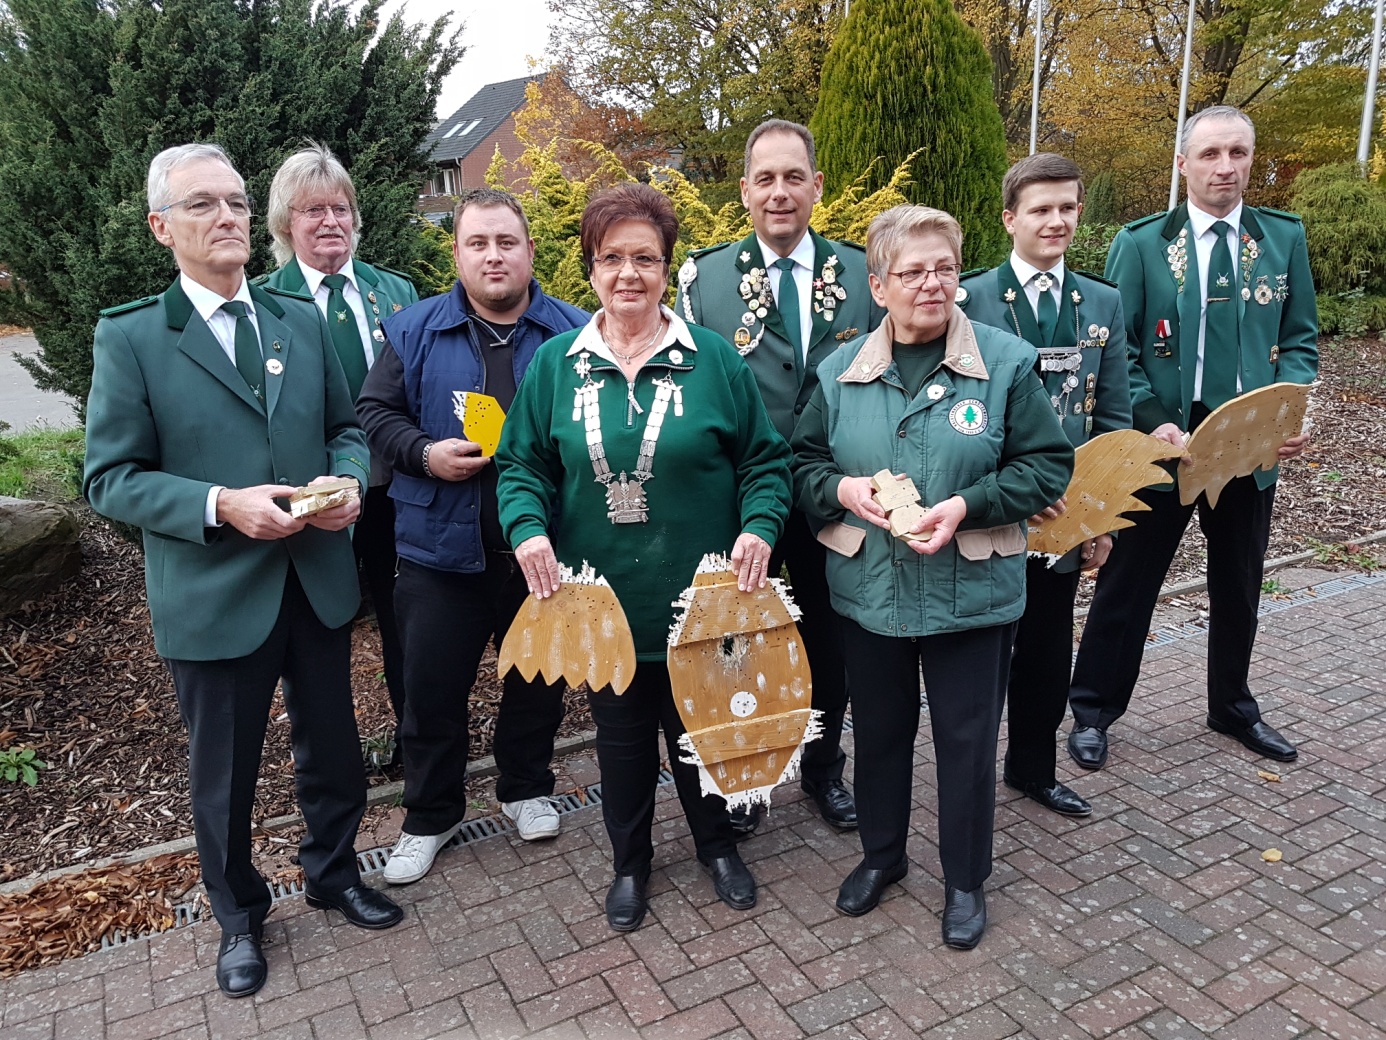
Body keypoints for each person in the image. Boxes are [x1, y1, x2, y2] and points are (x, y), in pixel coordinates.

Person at [83, 143, 402, 999]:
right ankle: (238, 917)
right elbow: (110, 478)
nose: (225, 217)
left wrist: (347, 483)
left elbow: (346, 427)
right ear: (162, 227)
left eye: (233, 201)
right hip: (215, 592)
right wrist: (221, 503)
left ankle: (333, 873)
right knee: (224, 774)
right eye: (201, 205)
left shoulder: (295, 318)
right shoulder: (134, 336)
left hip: (315, 578)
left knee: (334, 750)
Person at [496, 183, 792, 932]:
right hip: (604, 605)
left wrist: (760, 527)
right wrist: (527, 529)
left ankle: (717, 847)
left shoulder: (714, 361)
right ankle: (630, 863)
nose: (628, 273)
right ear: (590, 268)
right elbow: (521, 466)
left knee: (704, 731)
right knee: (621, 745)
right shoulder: (555, 365)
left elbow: (765, 462)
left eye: (646, 258)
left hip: (704, 600)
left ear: (666, 268)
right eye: (612, 258)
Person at [792, 205, 1072, 947]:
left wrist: (967, 506)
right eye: (912, 272)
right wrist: (842, 490)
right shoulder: (840, 372)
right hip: (871, 592)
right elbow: (803, 464)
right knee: (881, 736)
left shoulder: (1007, 363)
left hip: (972, 594)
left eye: (944, 268)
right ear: (877, 286)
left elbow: (1047, 466)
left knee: (966, 744)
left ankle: (965, 882)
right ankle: (882, 858)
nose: (931, 284)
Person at [1067, 106, 1317, 772]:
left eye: (1238, 153)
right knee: (1128, 583)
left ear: (1251, 160)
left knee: (1239, 584)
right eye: (1209, 154)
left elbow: (1299, 340)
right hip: (1164, 445)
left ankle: (1231, 706)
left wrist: (1289, 412)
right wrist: (1151, 418)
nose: (1225, 167)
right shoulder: (1142, 244)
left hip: (1250, 448)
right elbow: (1117, 347)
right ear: (1183, 164)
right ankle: (1092, 711)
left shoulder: (1282, 238)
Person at [356, 188, 588, 883]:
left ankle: (526, 787)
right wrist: (424, 453)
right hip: (438, 551)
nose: (493, 256)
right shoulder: (413, 331)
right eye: (478, 243)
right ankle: (430, 815)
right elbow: (374, 412)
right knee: (429, 694)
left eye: (506, 243)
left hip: (541, 551)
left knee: (538, 683)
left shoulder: (575, 333)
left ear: (529, 251)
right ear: (456, 252)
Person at [679, 119, 882, 834]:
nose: (779, 192)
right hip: (743, 499)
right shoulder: (704, 281)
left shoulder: (863, 274)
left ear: (816, 185)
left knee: (831, 640)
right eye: (765, 179)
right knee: (741, 645)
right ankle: (749, 778)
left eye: (794, 177)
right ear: (744, 191)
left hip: (835, 492)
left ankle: (825, 770)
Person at [957, 154, 1132, 818]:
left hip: (1066, 515)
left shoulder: (1103, 303)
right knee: (981, 658)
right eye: (1040, 209)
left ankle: (1032, 770)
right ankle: (968, 783)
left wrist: (1101, 517)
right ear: (1010, 219)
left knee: (1048, 652)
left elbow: (1112, 417)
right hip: (995, 509)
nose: (1055, 220)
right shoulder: (970, 299)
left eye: (1066, 207)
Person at [259, 143, 417, 743]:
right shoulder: (264, 303)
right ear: (285, 224)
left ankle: (417, 743)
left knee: (406, 624)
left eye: (341, 209)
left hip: (396, 488)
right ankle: (333, 758)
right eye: (313, 211)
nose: (331, 222)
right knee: (318, 633)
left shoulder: (396, 292)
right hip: (314, 495)